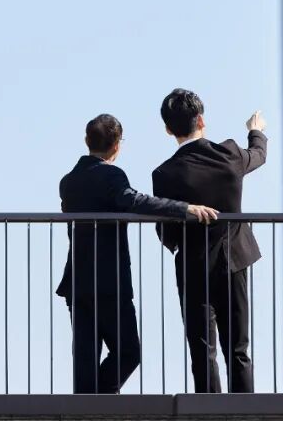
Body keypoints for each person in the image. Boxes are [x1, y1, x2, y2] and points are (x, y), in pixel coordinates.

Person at [56, 113, 218, 394]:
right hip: (109, 281)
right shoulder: (112, 175)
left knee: (85, 359)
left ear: (86, 141)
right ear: (117, 145)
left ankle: (85, 406)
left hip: (77, 281)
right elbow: (133, 200)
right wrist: (184, 208)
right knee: (128, 352)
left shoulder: (68, 181)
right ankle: (99, 399)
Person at [152, 89, 266, 393]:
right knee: (238, 348)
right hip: (234, 260)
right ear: (201, 120)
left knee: (202, 350)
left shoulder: (164, 174)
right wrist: (255, 131)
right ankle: (245, 412)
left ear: (168, 129)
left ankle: (208, 413)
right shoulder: (229, 154)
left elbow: (166, 231)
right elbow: (259, 155)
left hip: (193, 265)